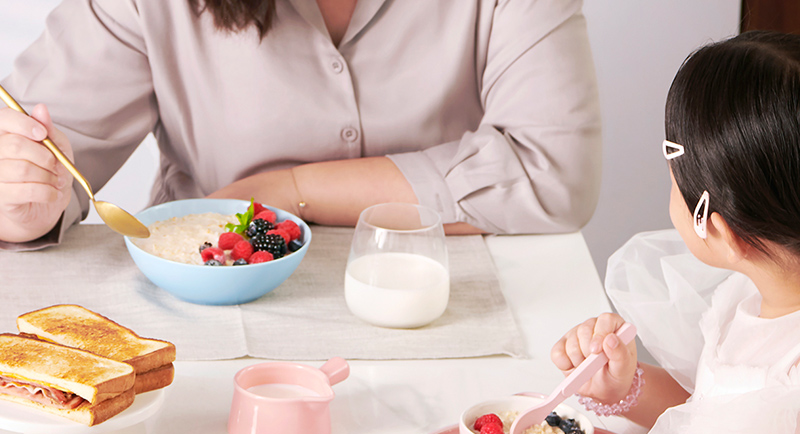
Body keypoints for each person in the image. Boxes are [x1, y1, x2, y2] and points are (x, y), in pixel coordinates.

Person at [454, 30, 800, 434]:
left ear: (713, 227)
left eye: (672, 177)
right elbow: (725, 429)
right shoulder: (758, 296)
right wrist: (631, 388)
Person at [0, 0, 601, 247]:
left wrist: (285, 192)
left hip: (453, 302)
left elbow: (555, 175)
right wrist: (26, 201)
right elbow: (41, 142)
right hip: (207, 303)